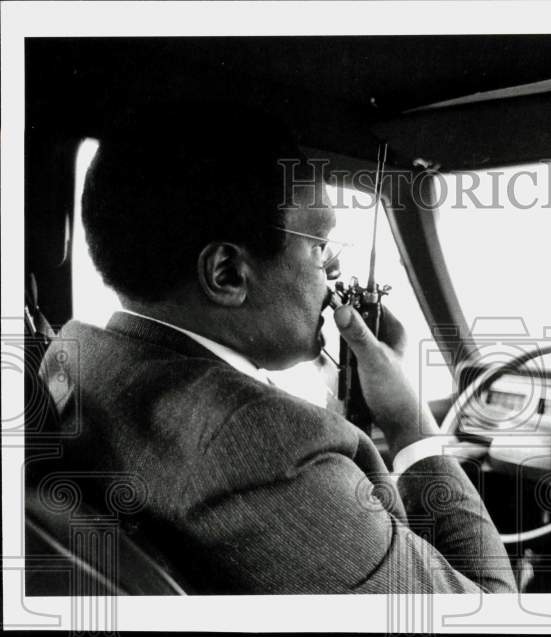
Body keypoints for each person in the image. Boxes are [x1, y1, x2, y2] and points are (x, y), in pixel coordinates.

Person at [30, 103, 516, 594]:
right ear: (227, 274)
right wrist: (409, 422)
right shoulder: (270, 453)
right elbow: (492, 611)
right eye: (318, 246)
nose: (333, 272)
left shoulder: (77, 359)